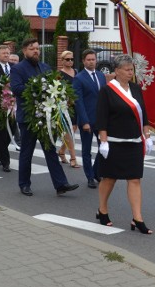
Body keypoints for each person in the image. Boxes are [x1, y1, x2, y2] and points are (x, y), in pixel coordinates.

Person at [10, 38, 79, 197]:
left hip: (46, 116)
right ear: (24, 51)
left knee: (50, 150)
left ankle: (60, 184)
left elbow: (55, 84)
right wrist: (38, 88)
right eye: (32, 48)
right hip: (29, 118)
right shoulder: (18, 69)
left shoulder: (45, 67)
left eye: (37, 48)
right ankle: (24, 184)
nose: (36, 51)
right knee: (27, 152)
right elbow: (17, 88)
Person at [95, 54, 153, 234]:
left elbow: (143, 112)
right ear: (117, 71)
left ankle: (137, 218)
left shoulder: (135, 88)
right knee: (110, 178)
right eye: (127, 70)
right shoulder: (107, 90)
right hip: (114, 142)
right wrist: (103, 141)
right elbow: (101, 118)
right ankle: (102, 210)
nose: (131, 72)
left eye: (132, 69)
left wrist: (147, 134)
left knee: (134, 179)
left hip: (134, 141)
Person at [73, 48, 107, 188]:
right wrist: (84, 121)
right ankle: (89, 177)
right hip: (87, 120)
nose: (92, 62)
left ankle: (96, 171)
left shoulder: (100, 75)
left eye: (93, 59)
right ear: (83, 61)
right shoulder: (79, 78)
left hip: (100, 120)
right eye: (89, 60)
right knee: (87, 150)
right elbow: (78, 101)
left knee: (103, 147)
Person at [56, 50, 80, 169]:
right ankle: (73, 158)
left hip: (76, 105)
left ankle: (61, 151)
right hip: (66, 106)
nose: (70, 61)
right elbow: (57, 91)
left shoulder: (76, 72)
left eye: (71, 59)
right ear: (62, 60)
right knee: (68, 130)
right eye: (67, 59)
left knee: (73, 128)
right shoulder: (59, 74)